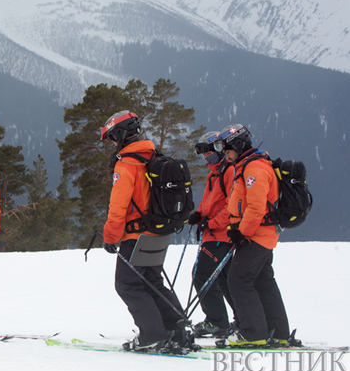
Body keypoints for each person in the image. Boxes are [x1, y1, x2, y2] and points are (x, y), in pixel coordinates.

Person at [100, 110, 190, 352]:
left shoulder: (126, 164)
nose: (112, 143)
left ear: (121, 134)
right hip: (159, 234)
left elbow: (118, 208)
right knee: (153, 282)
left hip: (135, 237)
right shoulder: (152, 157)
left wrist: (110, 237)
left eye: (112, 137)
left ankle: (151, 335)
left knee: (127, 285)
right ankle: (177, 329)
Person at [217, 124, 291, 346]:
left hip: (256, 235)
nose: (225, 154)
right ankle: (277, 332)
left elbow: (256, 207)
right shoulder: (250, 165)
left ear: (238, 146)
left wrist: (242, 232)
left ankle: (253, 333)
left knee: (238, 280)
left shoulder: (254, 169)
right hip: (261, 234)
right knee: (263, 281)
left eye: (227, 149)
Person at [188, 131, 237, 338]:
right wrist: (199, 215)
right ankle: (242, 318)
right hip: (214, 234)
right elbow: (210, 202)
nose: (206, 157)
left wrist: (212, 223)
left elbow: (232, 207)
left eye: (208, 152)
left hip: (220, 235)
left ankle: (217, 322)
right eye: (203, 154)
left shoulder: (229, 172)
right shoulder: (215, 173)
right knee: (225, 279)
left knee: (202, 276)